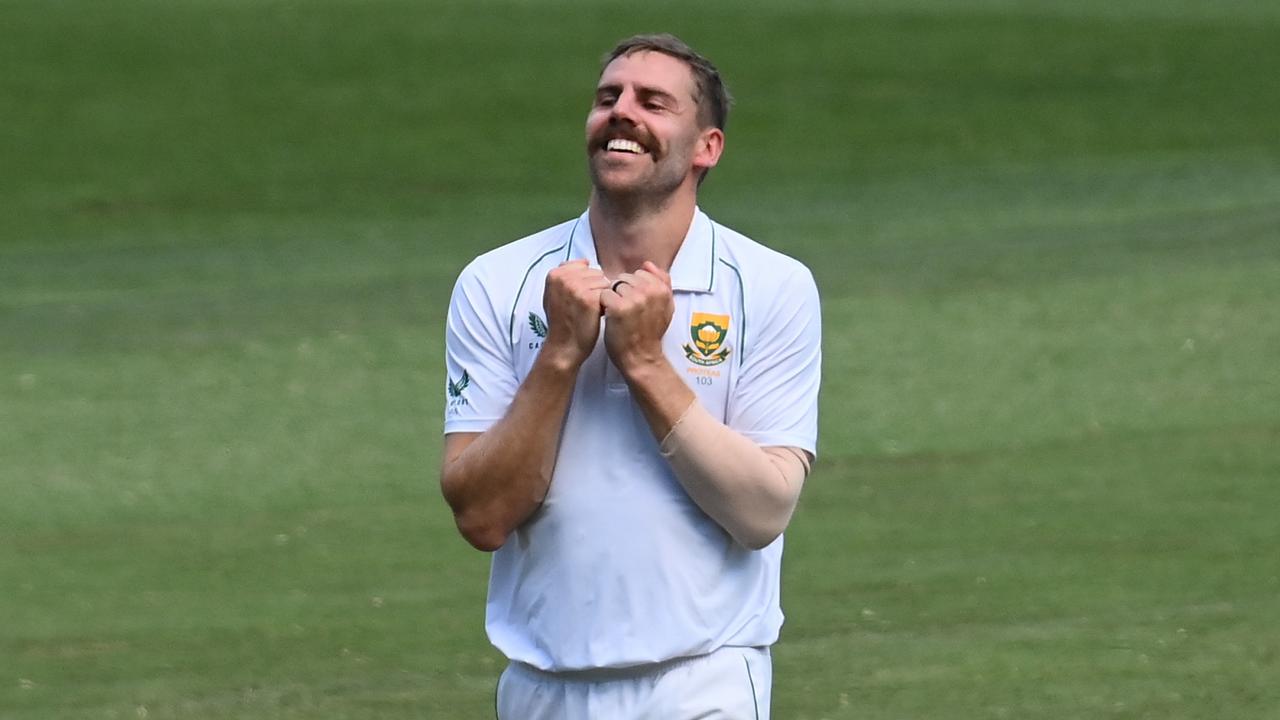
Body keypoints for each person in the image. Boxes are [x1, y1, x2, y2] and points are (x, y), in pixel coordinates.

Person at [440, 33, 821, 720]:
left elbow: (764, 510)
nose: (621, 113)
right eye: (607, 98)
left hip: (704, 682)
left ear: (706, 147)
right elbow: (481, 515)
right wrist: (560, 355)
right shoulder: (497, 283)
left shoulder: (771, 285)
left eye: (653, 102)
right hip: (542, 687)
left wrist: (645, 362)